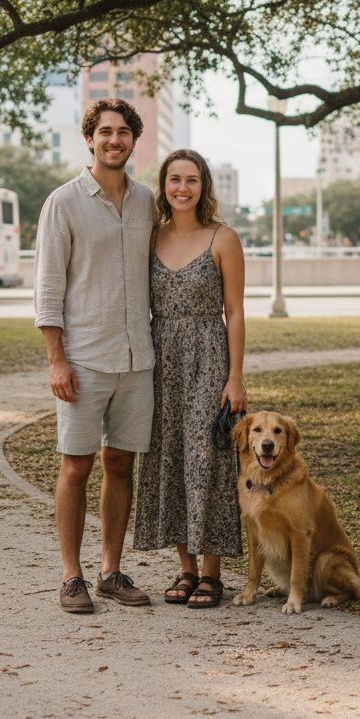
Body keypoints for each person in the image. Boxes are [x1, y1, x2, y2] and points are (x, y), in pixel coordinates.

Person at [34, 98, 156, 614]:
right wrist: (56, 359)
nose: (114, 140)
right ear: (90, 138)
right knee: (76, 467)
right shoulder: (63, 202)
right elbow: (48, 288)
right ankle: (71, 576)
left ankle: (110, 570)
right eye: (105, 131)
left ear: (134, 140)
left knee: (121, 464)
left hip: (137, 360)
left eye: (123, 132)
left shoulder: (149, 200)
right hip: (83, 359)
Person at [133, 148, 247, 609]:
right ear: (163, 185)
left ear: (204, 187)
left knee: (209, 459)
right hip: (161, 359)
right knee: (172, 456)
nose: (182, 188)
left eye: (192, 180)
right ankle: (185, 568)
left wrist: (235, 376)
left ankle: (213, 573)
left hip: (209, 356)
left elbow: (236, 311)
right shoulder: (150, 237)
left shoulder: (223, 238)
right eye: (174, 179)